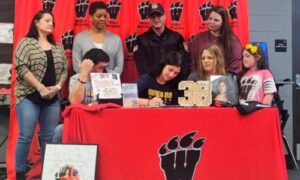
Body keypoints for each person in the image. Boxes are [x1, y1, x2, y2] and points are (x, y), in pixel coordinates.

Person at [14, 10, 67, 179]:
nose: (51, 24)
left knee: (48, 138)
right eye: (46, 20)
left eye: (52, 21)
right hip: (29, 97)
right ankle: (20, 174)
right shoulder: (26, 43)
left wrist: (58, 87)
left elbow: (64, 70)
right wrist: (40, 88)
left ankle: (49, 173)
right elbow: (21, 67)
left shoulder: (58, 46)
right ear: (36, 22)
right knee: (25, 136)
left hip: (52, 99)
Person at [53, 48, 111, 143]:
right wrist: (84, 73)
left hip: (100, 120)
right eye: (100, 68)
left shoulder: (107, 79)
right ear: (90, 66)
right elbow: (75, 101)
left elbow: (110, 103)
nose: (103, 71)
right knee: (60, 130)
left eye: (105, 67)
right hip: (80, 121)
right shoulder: (76, 79)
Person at [134, 2, 190, 78]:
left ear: (165, 16)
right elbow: (142, 68)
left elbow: (184, 63)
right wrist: (158, 81)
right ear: (148, 19)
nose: (156, 19)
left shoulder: (177, 37)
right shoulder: (141, 40)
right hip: (152, 84)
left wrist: (173, 78)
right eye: (152, 16)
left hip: (173, 83)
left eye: (159, 15)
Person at [72, 1, 124, 74]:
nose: (103, 19)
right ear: (90, 17)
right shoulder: (79, 39)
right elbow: (77, 65)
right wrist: (89, 80)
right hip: (87, 83)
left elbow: (119, 65)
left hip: (110, 83)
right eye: (99, 16)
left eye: (105, 16)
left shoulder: (116, 39)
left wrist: (108, 80)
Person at [189, 5, 242, 75]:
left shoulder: (232, 41)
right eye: (210, 18)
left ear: (223, 22)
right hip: (201, 82)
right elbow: (191, 65)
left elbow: (235, 66)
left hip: (224, 82)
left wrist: (219, 80)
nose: (212, 22)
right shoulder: (198, 39)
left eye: (216, 20)